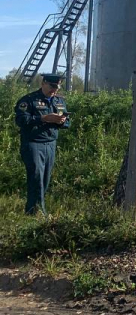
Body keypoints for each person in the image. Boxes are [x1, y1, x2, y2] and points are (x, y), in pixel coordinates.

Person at [14, 74, 69, 215]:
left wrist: (61, 122)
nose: (55, 90)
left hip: (50, 144)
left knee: (45, 178)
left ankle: (34, 210)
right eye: (52, 86)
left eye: (58, 87)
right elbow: (21, 120)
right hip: (33, 143)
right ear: (43, 83)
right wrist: (43, 118)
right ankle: (37, 212)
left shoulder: (59, 102)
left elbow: (67, 122)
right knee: (36, 177)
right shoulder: (29, 100)